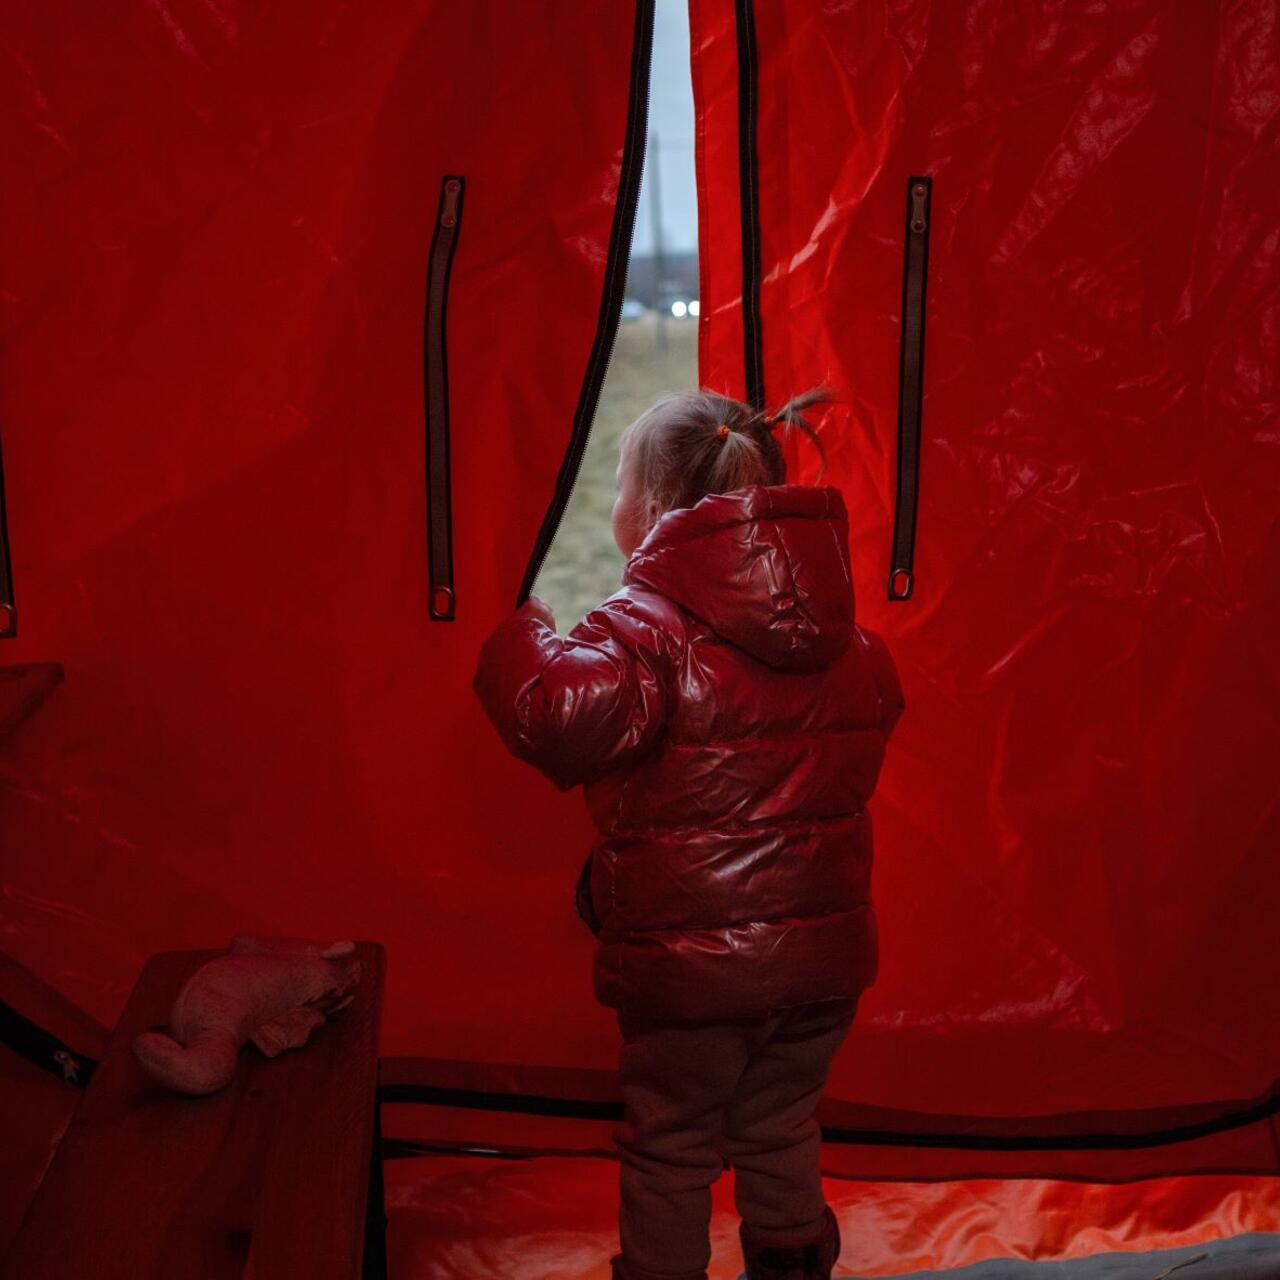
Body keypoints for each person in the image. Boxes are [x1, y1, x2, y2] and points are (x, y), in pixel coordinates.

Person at [472, 385, 905, 1280]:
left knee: (672, 1147)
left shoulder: (647, 634)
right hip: (822, 968)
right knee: (780, 1125)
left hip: (694, 975)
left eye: (623, 482)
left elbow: (554, 716)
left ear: (654, 509)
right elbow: (878, 713)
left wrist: (528, 626)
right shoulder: (850, 642)